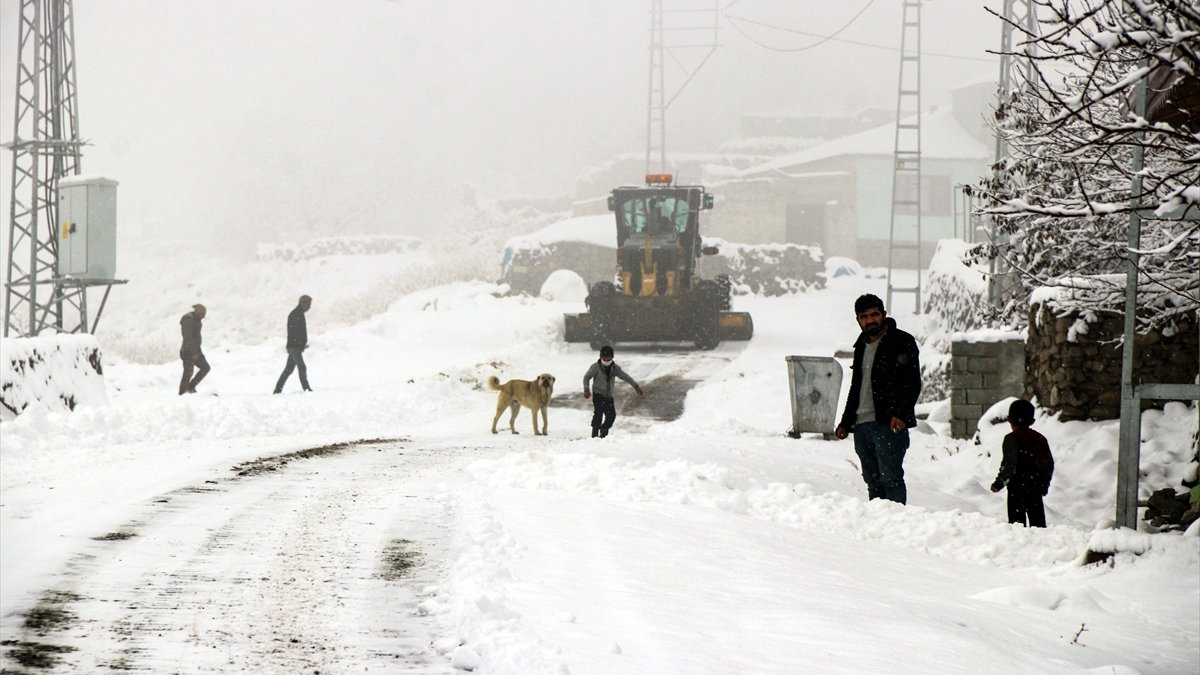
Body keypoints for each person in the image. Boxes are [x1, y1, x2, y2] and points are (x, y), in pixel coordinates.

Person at [834, 294, 922, 504]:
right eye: (864, 317)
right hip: (862, 425)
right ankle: (879, 521)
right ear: (858, 320)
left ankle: (898, 523)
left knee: (891, 479)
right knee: (872, 481)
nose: (870, 320)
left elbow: (912, 383)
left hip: (888, 423)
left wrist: (900, 414)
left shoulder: (901, 341)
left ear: (883, 315)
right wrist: (846, 422)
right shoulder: (861, 346)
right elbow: (857, 388)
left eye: (874, 315)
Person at [990, 399, 1055, 527]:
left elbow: (1009, 465)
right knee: (1038, 526)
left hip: (1016, 490)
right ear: (1032, 421)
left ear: (1009, 419)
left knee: (1017, 527)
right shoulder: (1040, 439)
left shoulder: (1011, 439)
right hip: (1035, 489)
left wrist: (999, 483)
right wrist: (1044, 485)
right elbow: (1048, 465)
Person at [582, 344, 644, 438]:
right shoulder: (596, 367)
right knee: (598, 414)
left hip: (608, 396)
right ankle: (594, 434)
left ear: (612, 357)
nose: (606, 361)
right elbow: (587, 377)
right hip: (598, 394)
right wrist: (586, 389)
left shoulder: (615, 368)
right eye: (604, 359)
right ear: (600, 357)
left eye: (608, 359)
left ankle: (604, 430)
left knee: (611, 416)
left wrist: (636, 386)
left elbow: (625, 377)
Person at [274, 294, 313, 394]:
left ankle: (277, 390)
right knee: (302, 366)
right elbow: (293, 332)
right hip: (294, 347)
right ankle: (306, 389)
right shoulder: (296, 315)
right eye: (309, 304)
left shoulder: (298, 314)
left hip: (295, 347)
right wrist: (297, 344)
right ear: (303, 303)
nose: (310, 307)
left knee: (288, 370)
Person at [179, 303, 210, 395]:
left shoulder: (196, 320)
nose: (204, 316)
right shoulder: (188, 321)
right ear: (197, 312)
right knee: (188, 372)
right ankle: (182, 393)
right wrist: (193, 353)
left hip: (196, 350)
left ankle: (190, 387)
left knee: (205, 368)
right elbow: (188, 339)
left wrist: (197, 351)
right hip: (187, 351)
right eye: (202, 314)